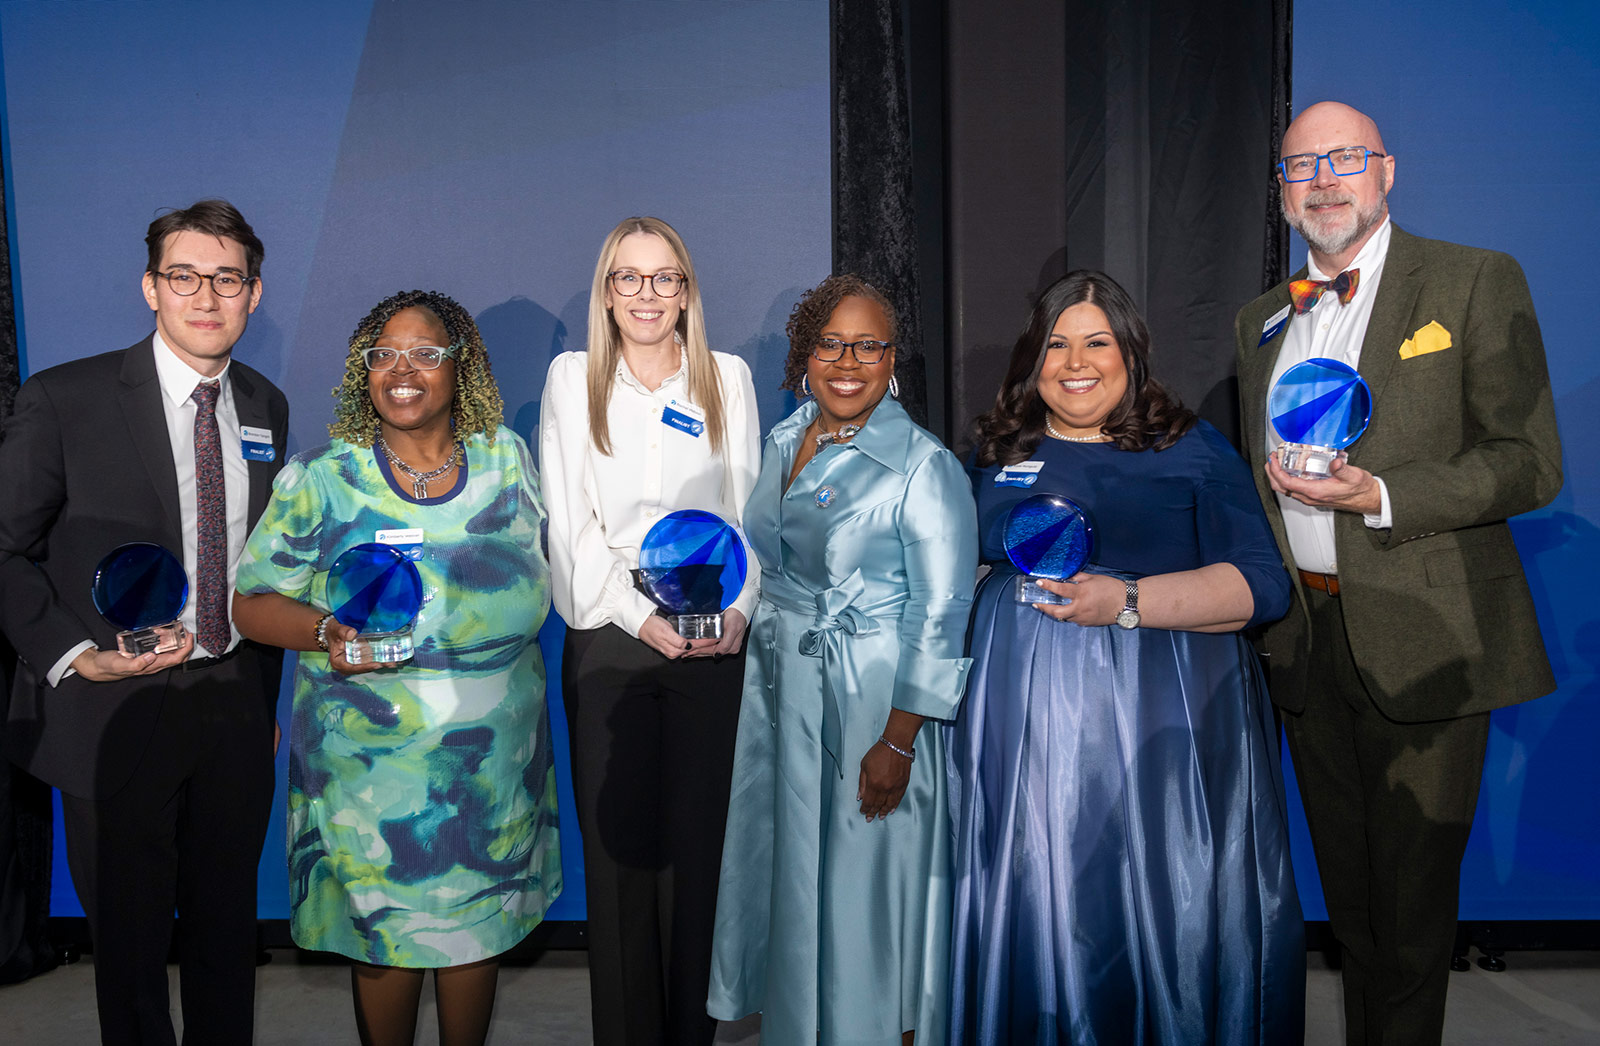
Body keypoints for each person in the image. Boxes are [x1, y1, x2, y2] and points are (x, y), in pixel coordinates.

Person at [1234, 101, 1563, 1045]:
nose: (1324, 179)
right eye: (1301, 166)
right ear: (1283, 194)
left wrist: (1382, 493)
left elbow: (1529, 460)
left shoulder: (1471, 282)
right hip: (1306, 641)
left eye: (1345, 158)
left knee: (1413, 921)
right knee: (1354, 914)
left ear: (1387, 170)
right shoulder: (1260, 321)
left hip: (1427, 638)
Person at [947, 270, 1302, 1044]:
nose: (1076, 361)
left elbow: (1263, 585)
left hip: (1159, 728)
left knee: (1152, 911)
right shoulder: (998, 448)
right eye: (1057, 343)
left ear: (1131, 354)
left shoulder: (1190, 447)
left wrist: (1130, 602)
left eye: (1097, 342)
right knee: (1040, 904)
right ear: (1032, 359)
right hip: (1023, 744)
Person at [232, 290, 561, 1046]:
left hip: (491, 770)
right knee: (388, 934)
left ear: (461, 367)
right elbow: (250, 604)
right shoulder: (321, 479)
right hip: (368, 777)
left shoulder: (506, 461)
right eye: (383, 355)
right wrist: (325, 630)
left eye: (424, 353)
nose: (401, 370)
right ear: (363, 372)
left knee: (477, 933)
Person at [0, 199, 287, 1044]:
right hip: (114, 708)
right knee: (127, 953)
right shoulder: (64, 399)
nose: (207, 295)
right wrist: (73, 655)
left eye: (226, 278)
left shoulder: (265, 403)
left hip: (232, 704)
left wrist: (264, 700)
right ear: (150, 289)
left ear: (254, 295)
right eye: (185, 276)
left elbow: (259, 567)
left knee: (227, 936)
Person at [708, 275, 977, 1046]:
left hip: (873, 703)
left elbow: (942, 613)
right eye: (831, 343)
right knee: (794, 880)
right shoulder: (787, 437)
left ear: (894, 362)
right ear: (805, 356)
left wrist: (898, 740)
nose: (848, 360)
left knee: (863, 893)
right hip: (781, 692)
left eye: (870, 345)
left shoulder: (924, 468)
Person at [540, 216, 759, 1046]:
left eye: (664, 278)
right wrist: (640, 620)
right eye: (629, 278)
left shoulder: (726, 377)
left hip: (712, 630)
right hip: (609, 630)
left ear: (686, 291)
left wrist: (741, 610)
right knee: (622, 865)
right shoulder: (573, 378)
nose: (647, 295)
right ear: (607, 291)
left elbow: (749, 515)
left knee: (699, 859)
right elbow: (570, 523)